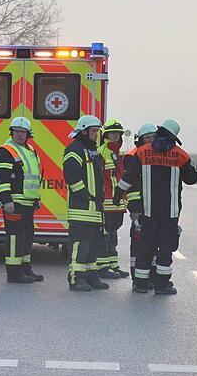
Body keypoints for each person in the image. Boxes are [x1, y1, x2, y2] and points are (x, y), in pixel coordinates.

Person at [118, 119, 197, 295]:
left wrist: (117, 193)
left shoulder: (142, 153)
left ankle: (141, 284)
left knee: (145, 246)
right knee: (165, 248)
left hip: (148, 210)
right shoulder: (181, 155)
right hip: (170, 212)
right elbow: (190, 179)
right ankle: (162, 285)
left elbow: (129, 178)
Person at [63, 115, 109, 292]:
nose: (96, 134)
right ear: (83, 131)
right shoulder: (74, 149)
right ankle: (76, 278)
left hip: (94, 209)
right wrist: (85, 195)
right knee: (80, 244)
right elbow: (72, 176)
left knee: (92, 244)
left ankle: (91, 276)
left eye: (97, 131)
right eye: (94, 131)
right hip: (81, 208)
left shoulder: (92, 150)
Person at [0, 117, 43, 284]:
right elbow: (2, 178)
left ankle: (25, 269)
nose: (19, 135)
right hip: (14, 203)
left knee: (28, 236)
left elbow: (33, 177)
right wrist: (6, 200)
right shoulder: (6, 150)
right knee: (15, 237)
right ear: (11, 132)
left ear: (28, 134)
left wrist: (37, 198)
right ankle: (14, 273)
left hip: (28, 202)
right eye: (16, 131)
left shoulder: (30, 150)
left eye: (22, 132)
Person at [117, 123, 157, 277]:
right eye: (148, 137)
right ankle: (138, 277)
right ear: (140, 139)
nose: (151, 140)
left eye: (153, 137)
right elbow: (130, 185)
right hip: (139, 207)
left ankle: (152, 276)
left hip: (154, 206)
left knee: (154, 242)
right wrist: (134, 209)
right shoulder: (132, 155)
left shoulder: (157, 154)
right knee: (139, 242)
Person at [95, 118, 130, 279]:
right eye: (112, 133)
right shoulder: (102, 152)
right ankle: (102, 267)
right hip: (107, 202)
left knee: (113, 234)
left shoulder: (117, 153)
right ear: (106, 135)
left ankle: (113, 265)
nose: (115, 136)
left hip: (118, 203)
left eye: (118, 133)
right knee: (105, 235)